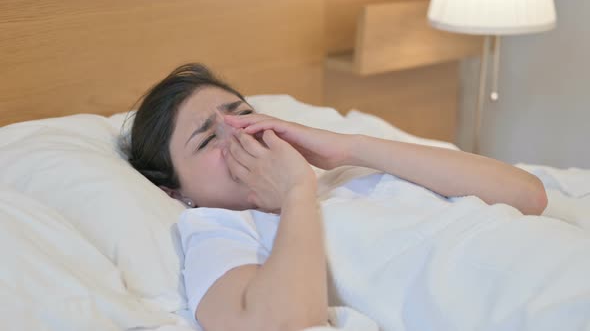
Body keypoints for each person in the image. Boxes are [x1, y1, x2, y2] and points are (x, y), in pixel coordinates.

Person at [128, 63, 548, 331]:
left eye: (242, 115)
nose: (237, 133)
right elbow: (274, 325)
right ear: (175, 190)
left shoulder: (342, 169)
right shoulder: (219, 229)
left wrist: (349, 147)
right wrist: (295, 193)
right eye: (206, 139)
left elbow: (529, 196)